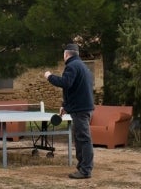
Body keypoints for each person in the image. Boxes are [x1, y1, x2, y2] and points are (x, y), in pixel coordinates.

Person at [44, 43, 95, 179]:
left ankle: (85, 170)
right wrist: (65, 106)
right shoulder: (83, 67)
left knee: (83, 139)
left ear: (66, 55)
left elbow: (65, 83)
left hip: (81, 109)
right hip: (84, 107)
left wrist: (49, 76)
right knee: (80, 139)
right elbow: (74, 89)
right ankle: (82, 168)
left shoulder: (71, 66)